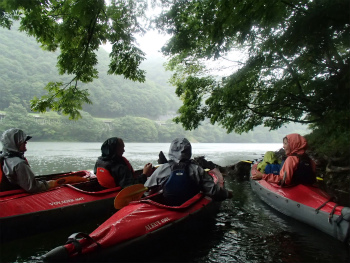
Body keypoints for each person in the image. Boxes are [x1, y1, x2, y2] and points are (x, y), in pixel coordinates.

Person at [144, 137, 233, 206]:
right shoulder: (197, 170)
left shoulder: (161, 169)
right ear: (188, 151)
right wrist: (226, 193)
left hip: (168, 205)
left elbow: (146, 189)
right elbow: (214, 192)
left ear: (171, 151)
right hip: (189, 204)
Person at [0, 128, 59, 193]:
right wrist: (50, 184)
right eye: (23, 141)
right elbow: (33, 187)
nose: (26, 142)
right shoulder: (19, 164)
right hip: (13, 195)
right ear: (15, 143)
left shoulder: (4, 158)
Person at [252, 133, 316, 186]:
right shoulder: (308, 159)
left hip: (293, 188)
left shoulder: (291, 159)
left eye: (285, 143)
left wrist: (263, 176)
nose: (283, 146)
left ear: (293, 144)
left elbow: (284, 180)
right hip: (307, 187)